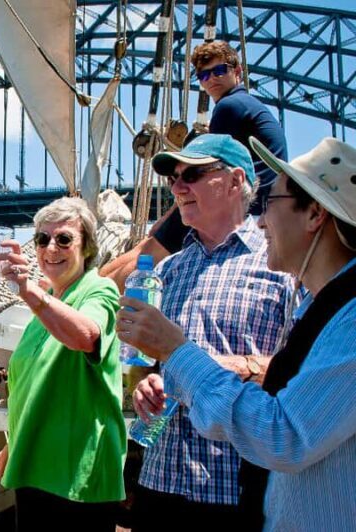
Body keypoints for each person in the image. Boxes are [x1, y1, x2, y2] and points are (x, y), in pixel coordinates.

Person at [116, 137, 356, 531]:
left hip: (231, 487)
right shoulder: (168, 270)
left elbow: (292, 393)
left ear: (234, 180)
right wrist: (152, 381)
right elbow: (154, 365)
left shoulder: (286, 267)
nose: (177, 187)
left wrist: (189, 358)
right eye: (174, 178)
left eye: (191, 174)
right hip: (162, 479)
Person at [0, 197, 126, 531]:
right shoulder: (48, 307)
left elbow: (86, 336)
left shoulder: (98, 289)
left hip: (76, 470)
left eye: (64, 239)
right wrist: (13, 444)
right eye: (42, 239)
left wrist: (27, 289)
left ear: (86, 247)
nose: (51, 248)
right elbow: (37, 384)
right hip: (35, 463)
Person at [101, 40, 288, 291]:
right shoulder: (247, 106)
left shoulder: (229, 106)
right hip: (248, 201)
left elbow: (208, 162)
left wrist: (168, 217)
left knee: (144, 255)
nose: (211, 79)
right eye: (203, 75)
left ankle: (90, 298)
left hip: (236, 204)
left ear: (237, 72)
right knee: (145, 248)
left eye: (219, 71)